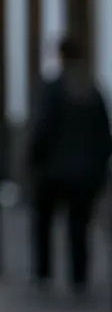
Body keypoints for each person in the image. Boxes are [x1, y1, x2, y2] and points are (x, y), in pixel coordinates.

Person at [26, 35, 112, 297]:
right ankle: (79, 278)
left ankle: (43, 274)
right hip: (86, 175)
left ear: (61, 56)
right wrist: (99, 170)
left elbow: (42, 128)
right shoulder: (93, 90)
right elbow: (105, 136)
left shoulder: (52, 89)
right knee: (79, 227)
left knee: (43, 223)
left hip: (52, 173)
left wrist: (33, 159)